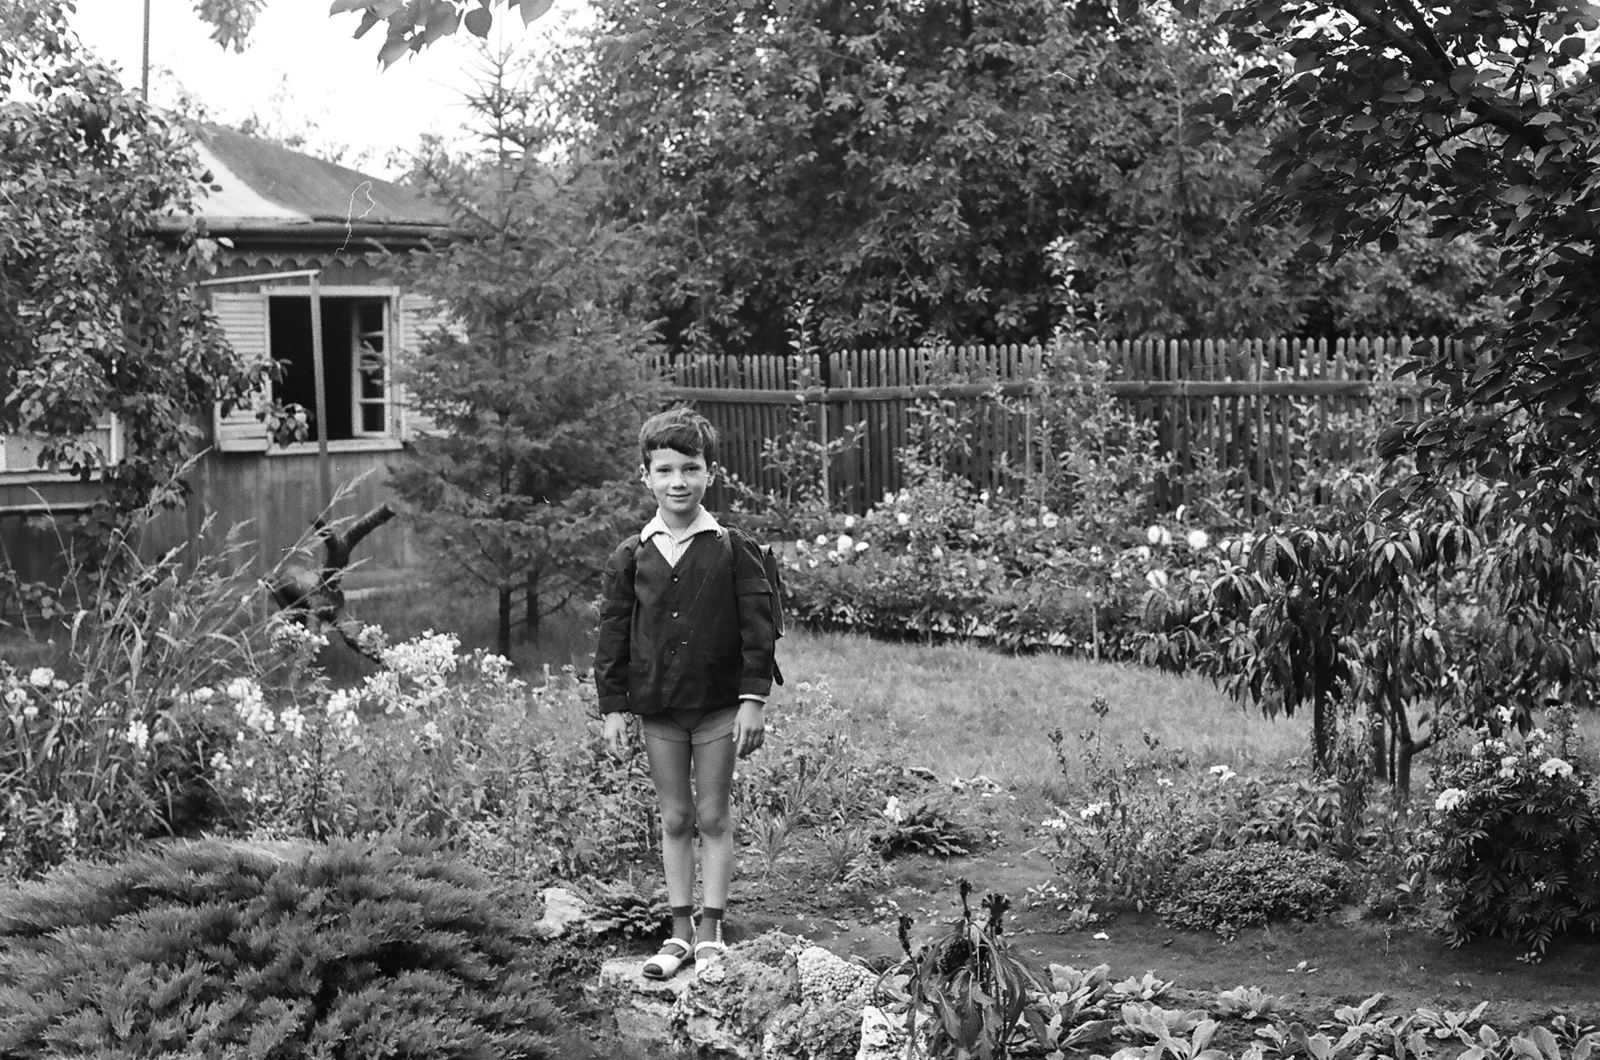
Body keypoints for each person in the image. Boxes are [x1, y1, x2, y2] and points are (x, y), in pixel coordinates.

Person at [594, 406, 778, 979]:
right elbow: (613, 633)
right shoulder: (632, 555)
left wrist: (753, 701)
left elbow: (759, 628)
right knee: (675, 818)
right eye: (666, 470)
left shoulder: (732, 547)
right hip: (660, 712)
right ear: (645, 476)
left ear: (710, 473)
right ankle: (676, 935)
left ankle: (710, 932)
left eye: (690, 469)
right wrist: (613, 707)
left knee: (712, 816)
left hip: (720, 708)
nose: (679, 482)